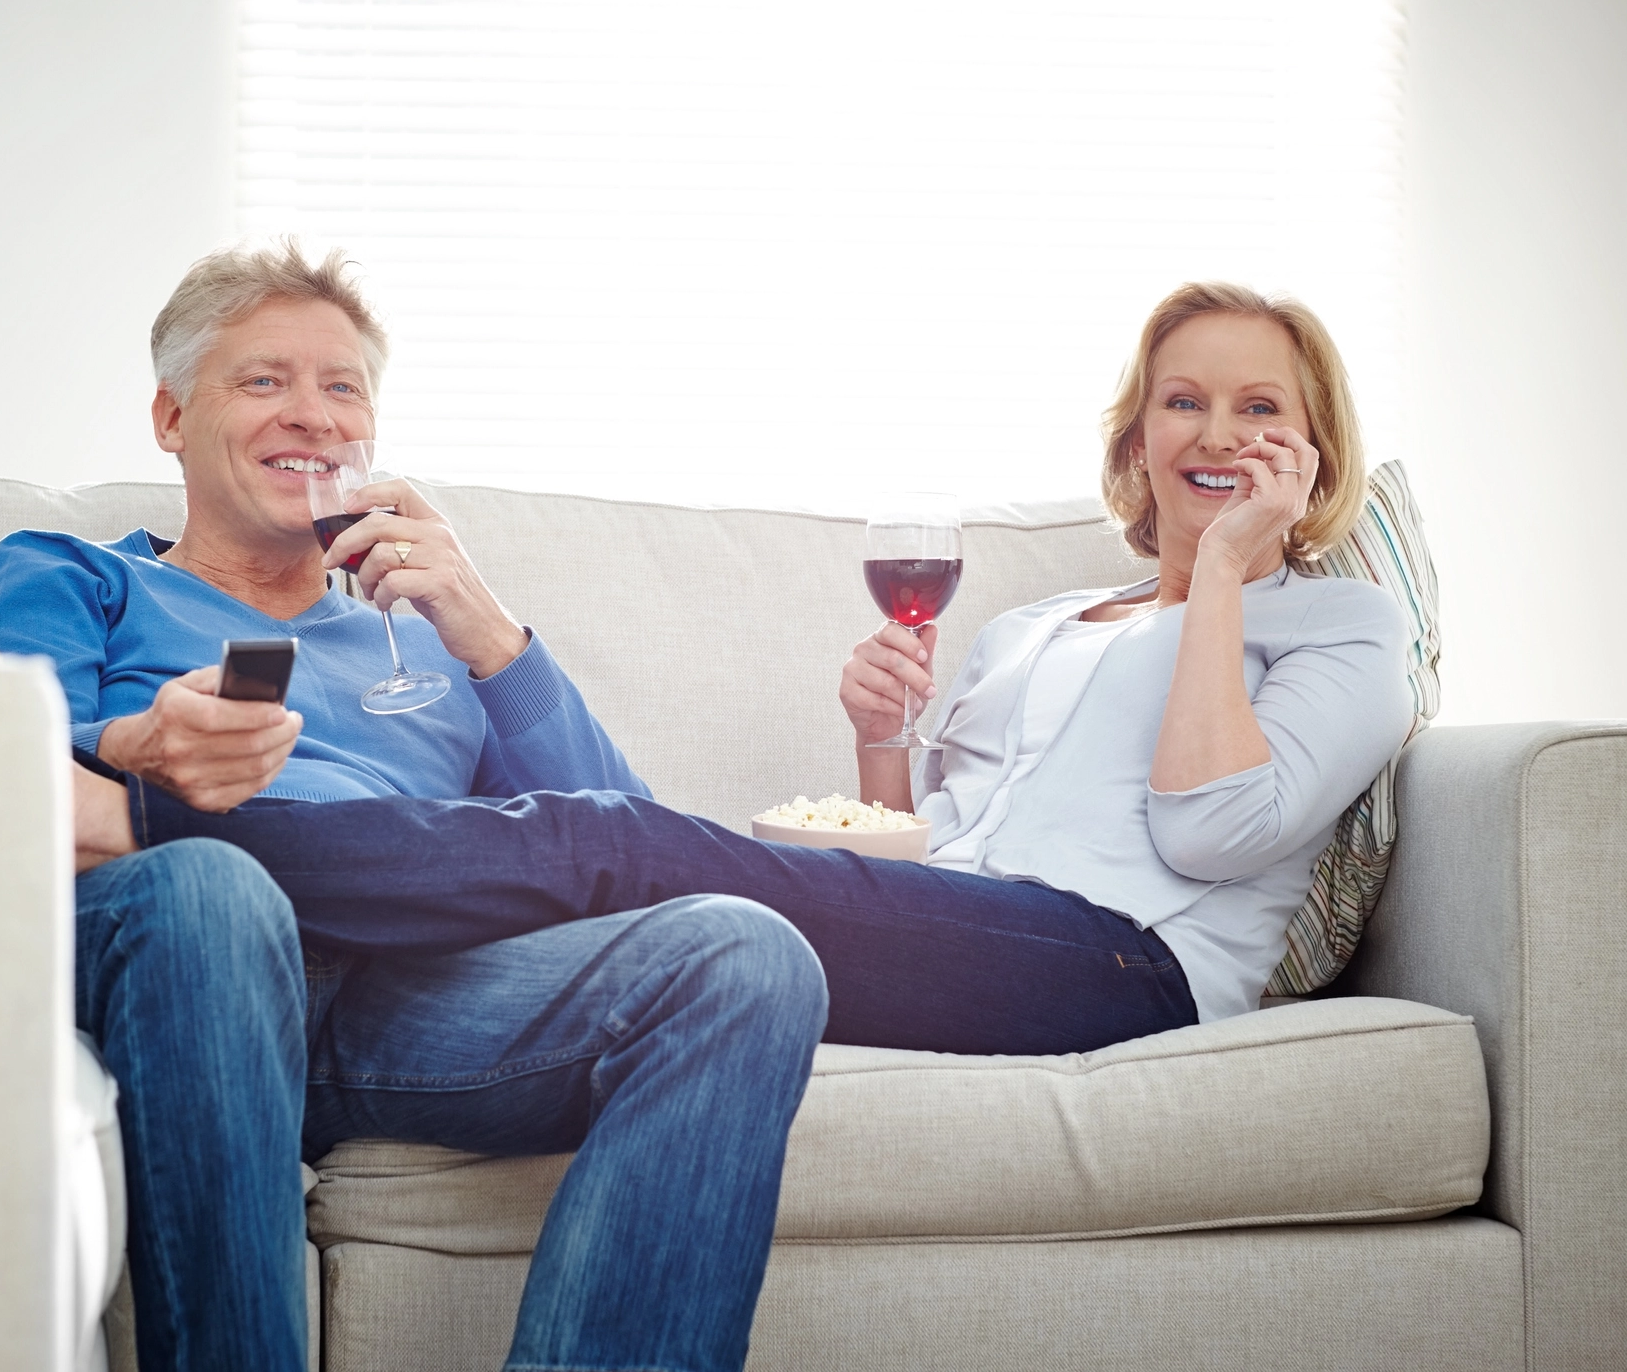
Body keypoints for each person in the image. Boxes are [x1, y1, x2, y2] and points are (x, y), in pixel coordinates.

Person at [74, 279, 1411, 1055]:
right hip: (983, 926)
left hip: (1123, 967)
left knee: (607, 839)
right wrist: (882, 746)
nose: (1214, 432)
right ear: (1137, 437)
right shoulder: (1046, 625)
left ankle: (129, 820)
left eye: (1258, 408)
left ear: (1314, 452)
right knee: (647, 896)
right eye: (1183, 400)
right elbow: (926, 843)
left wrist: (1221, 575)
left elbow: (1211, 823)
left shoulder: (1340, 628)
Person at [0, 241, 829, 1372]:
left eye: (343, 387)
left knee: (741, 950)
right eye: (265, 379)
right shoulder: (72, 575)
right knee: (214, 884)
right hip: (180, 950)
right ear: (171, 416)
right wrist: (129, 752)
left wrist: (485, 629)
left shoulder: (424, 641)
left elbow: (631, 846)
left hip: (398, 999)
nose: (314, 413)